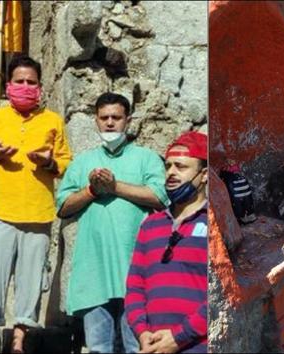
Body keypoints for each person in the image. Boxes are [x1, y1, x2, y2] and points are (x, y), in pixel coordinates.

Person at [0, 55, 73, 353]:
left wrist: (49, 161)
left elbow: (66, 163)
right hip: (0, 213)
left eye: (31, 82)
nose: (25, 87)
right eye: (20, 81)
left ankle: (19, 341)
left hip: (39, 215)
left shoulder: (52, 121)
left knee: (30, 284)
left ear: (40, 86)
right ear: (9, 85)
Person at [56, 92, 168, 353]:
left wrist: (114, 186)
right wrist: (92, 191)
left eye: (116, 118)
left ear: (127, 120)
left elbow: (160, 197)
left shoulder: (146, 158)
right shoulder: (83, 162)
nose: (109, 123)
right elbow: (62, 206)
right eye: (104, 117)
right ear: (95, 120)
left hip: (136, 270)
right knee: (98, 348)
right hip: (94, 273)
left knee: (137, 347)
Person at [125, 131, 208, 353]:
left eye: (181, 167)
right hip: (152, 346)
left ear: (204, 174)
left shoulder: (217, 225)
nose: (171, 173)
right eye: (168, 166)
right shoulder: (150, 225)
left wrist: (179, 337)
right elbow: (134, 286)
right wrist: (142, 333)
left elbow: (223, 296)